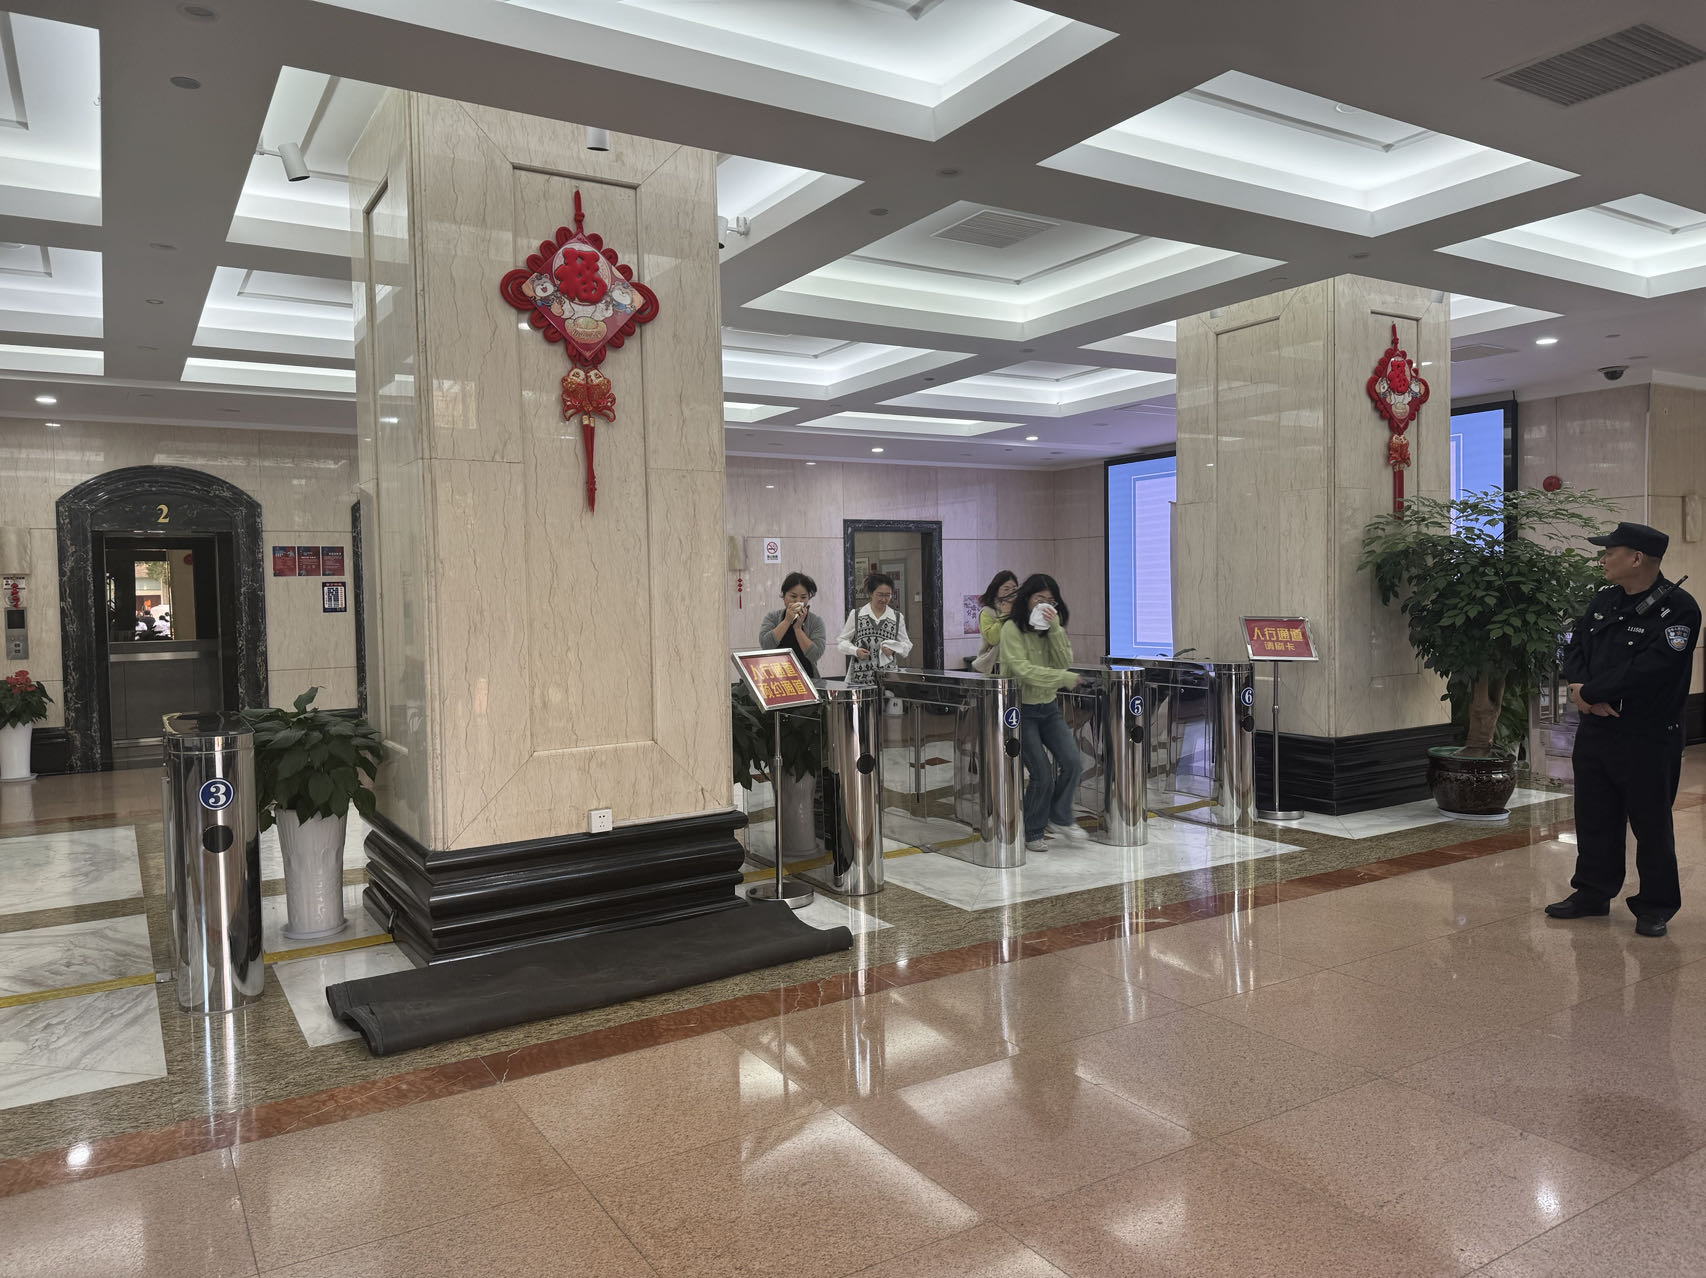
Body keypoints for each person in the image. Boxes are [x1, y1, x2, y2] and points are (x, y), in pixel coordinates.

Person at [1546, 521, 1700, 938]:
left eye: (1610, 552)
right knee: (1594, 815)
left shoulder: (1679, 609)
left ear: (1636, 558)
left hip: (1648, 735)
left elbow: (1652, 668)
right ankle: (1592, 892)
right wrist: (1580, 690)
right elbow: (1576, 647)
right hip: (1597, 728)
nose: (1603, 559)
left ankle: (1656, 905)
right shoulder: (1604, 600)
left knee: (1650, 823)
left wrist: (1592, 692)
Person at [999, 573, 1086, 852]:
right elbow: (1022, 670)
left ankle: (1060, 816)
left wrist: (1056, 628)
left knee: (1072, 762)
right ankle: (1033, 829)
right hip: (1020, 710)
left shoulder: (1050, 629)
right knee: (1042, 773)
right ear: (1027, 599)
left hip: (1048, 708)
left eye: (1051, 600)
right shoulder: (1011, 629)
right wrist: (1061, 678)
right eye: (1039, 599)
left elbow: (1064, 661)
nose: (1045, 605)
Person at [838, 572, 912, 686]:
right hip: (859, 679)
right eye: (880, 595)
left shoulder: (897, 617)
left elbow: (907, 645)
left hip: (887, 679)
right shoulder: (857, 614)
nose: (884, 599)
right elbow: (841, 641)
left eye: (888, 595)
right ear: (871, 594)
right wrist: (855, 651)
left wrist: (894, 649)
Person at [757, 572, 826, 679]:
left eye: (803, 597)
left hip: (807, 678)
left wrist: (797, 628)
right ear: (784, 597)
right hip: (774, 677)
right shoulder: (772, 617)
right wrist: (787, 621)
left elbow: (815, 655)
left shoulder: (815, 621)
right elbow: (766, 645)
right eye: (793, 596)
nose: (798, 601)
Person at [973, 570, 1018, 674]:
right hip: (994, 665)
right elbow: (992, 639)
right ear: (996, 590)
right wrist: (1005, 614)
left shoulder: (1019, 610)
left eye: (1014, 589)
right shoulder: (987, 612)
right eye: (1006, 589)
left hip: (1017, 663)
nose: (1011, 592)